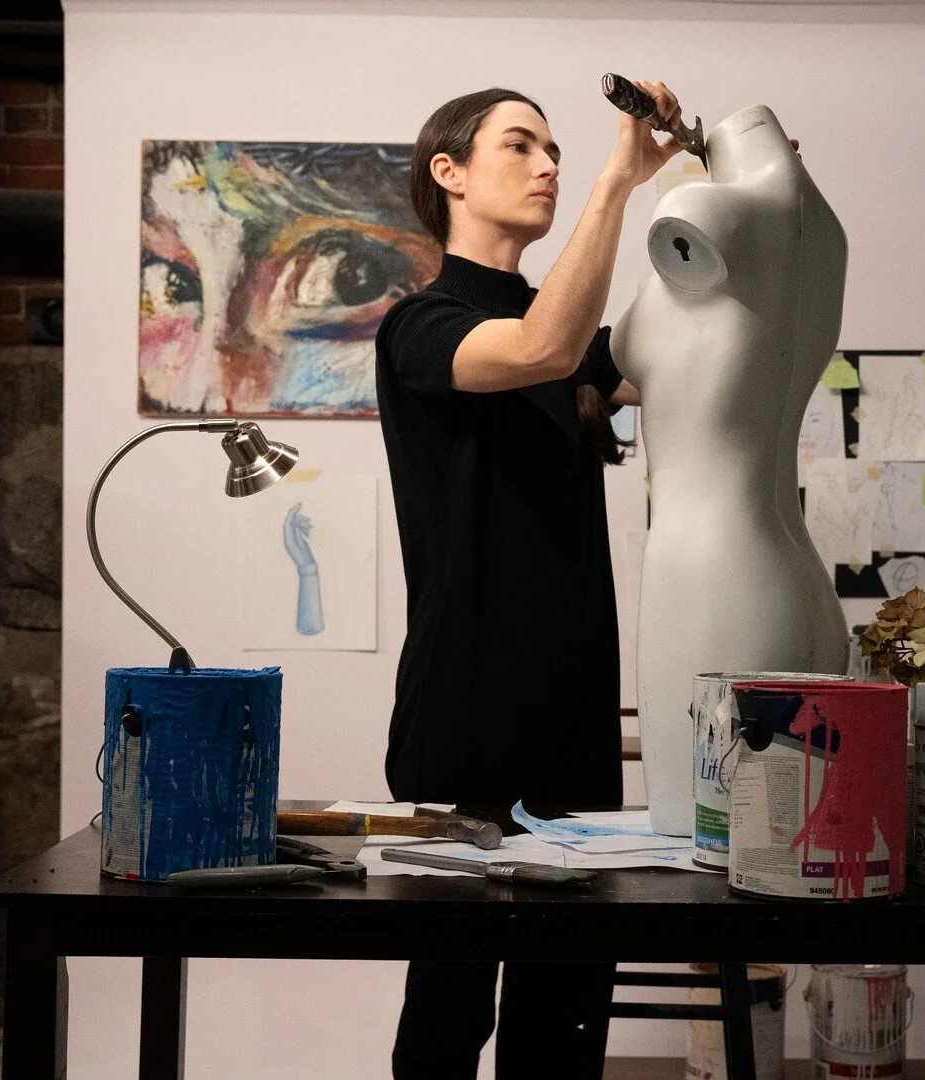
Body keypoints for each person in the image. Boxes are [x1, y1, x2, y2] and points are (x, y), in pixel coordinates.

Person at [374, 83, 684, 1080]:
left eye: (556, 148)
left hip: (574, 716)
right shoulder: (420, 327)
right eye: (522, 144)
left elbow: (680, 360)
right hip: (464, 715)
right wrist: (613, 184)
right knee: (450, 1009)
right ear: (450, 172)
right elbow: (541, 346)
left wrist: (725, 205)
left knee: (563, 1019)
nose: (548, 163)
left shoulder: (577, 335)